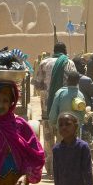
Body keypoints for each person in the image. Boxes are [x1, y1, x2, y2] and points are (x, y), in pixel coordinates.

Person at [34, 42, 76, 174]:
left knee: (48, 139)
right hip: (64, 109)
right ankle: (60, 167)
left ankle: (50, 168)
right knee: (62, 136)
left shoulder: (44, 63)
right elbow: (74, 84)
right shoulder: (69, 63)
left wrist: (48, 92)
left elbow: (37, 86)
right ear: (65, 51)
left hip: (47, 109)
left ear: (54, 51)